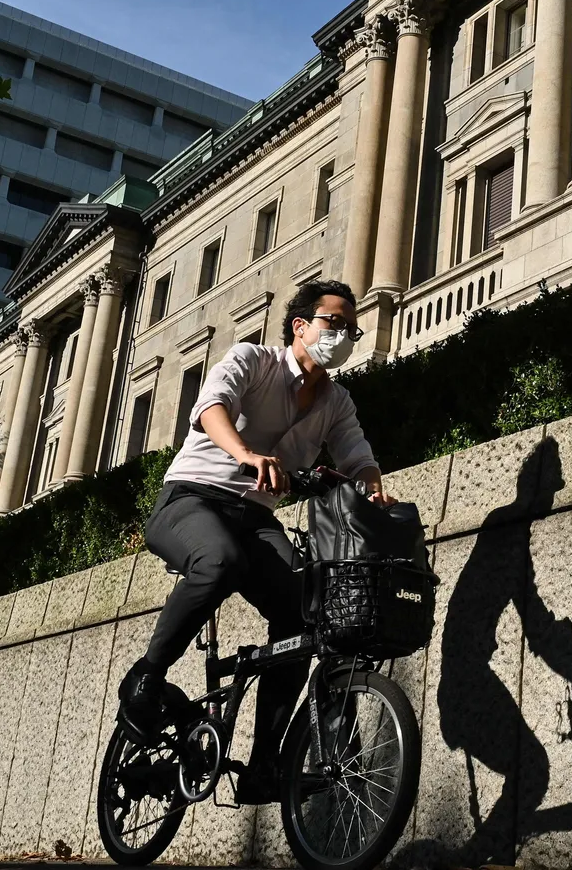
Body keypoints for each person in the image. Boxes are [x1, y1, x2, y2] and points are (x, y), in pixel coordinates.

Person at [117, 279, 393, 804]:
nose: (346, 334)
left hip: (254, 518)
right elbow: (210, 408)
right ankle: (146, 678)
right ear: (301, 326)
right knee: (220, 560)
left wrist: (374, 491)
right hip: (191, 499)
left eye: (352, 328)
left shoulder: (336, 401)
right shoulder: (252, 360)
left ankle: (265, 765)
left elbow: (358, 459)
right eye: (335, 323)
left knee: (306, 613)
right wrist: (246, 454)